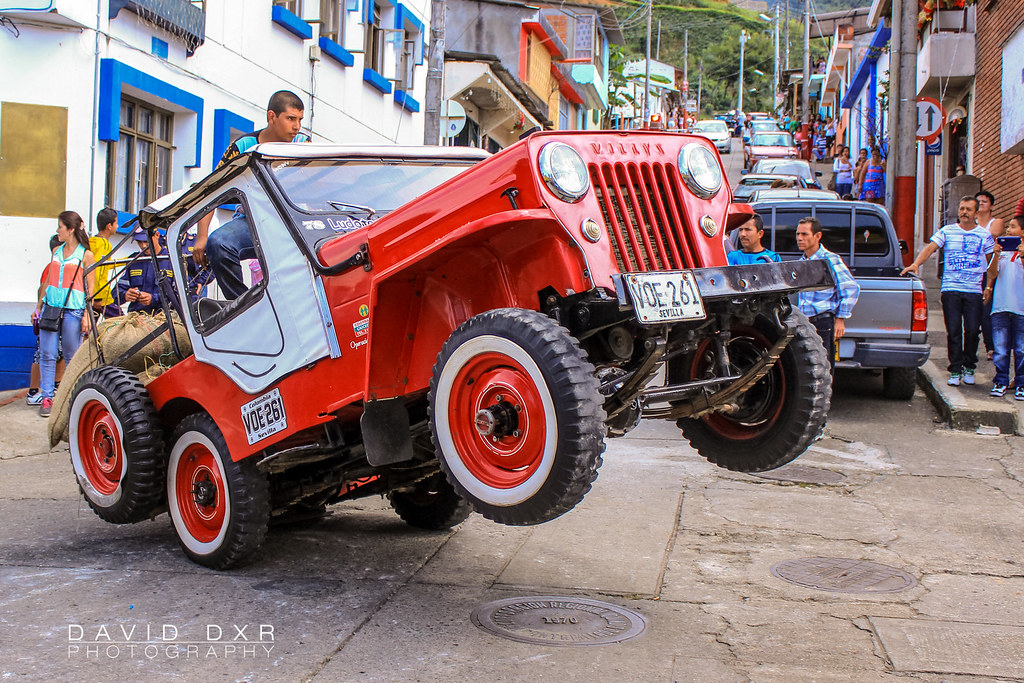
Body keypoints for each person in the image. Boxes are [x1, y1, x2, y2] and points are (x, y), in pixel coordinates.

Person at [192, 90, 309, 299]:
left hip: (294, 220)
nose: (297, 126)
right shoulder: (243, 147)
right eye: (291, 119)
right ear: (271, 117)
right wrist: (202, 237)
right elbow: (212, 190)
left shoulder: (303, 145)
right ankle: (243, 305)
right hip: (252, 220)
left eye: (300, 120)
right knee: (218, 243)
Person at [901, 196, 995, 386]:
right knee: (953, 330)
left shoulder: (984, 235)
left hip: (973, 290)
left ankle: (969, 366)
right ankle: (955, 369)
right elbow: (931, 248)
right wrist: (916, 264)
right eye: (962, 208)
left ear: (976, 213)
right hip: (951, 288)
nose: (964, 212)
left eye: (968, 209)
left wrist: (989, 286)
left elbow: (991, 263)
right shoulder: (947, 231)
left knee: (972, 330)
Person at [35, 211, 95, 417]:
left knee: (71, 356)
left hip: (74, 310)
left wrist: (87, 315)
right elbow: (48, 281)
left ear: (71, 229)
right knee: (47, 354)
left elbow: (90, 289)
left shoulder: (86, 255)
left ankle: (70, 398)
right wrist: (39, 305)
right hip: (51, 308)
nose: (57, 230)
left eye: (60, 226)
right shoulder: (56, 251)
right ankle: (47, 397)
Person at [795, 217, 861, 373]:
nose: (799, 238)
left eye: (804, 234)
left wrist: (840, 318)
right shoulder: (801, 261)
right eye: (798, 234)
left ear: (817, 236)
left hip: (822, 322)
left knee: (823, 367)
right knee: (806, 368)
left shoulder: (830, 259)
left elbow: (850, 288)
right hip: (803, 322)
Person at [983, 215, 1024, 399]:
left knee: (1021, 349)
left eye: (1013, 227)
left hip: (1021, 308)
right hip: (1000, 306)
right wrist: (996, 255)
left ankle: (1021, 384)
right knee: (1000, 349)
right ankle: (1001, 381)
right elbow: (992, 273)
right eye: (1008, 227)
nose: (1008, 230)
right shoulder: (1003, 252)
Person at [26, 235, 65, 405]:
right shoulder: (52, 267)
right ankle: (33, 392)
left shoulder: (60, 266)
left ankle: (56, 386)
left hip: (58, 314)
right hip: (50, 315)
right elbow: (43, 288)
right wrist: (39, 310)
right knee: (42, 354)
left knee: (59, 353)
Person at [975, 190, 1006, 360]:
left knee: (987, 309)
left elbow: (991, 236)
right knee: (974, 311)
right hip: (973, 271)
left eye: (984, 201)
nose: (980, 203)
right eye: (978, 201)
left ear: (992, 205)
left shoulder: (997, 222)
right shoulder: (970, 223)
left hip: (989, 270)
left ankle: (991, 347)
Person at [116, 227, 174, 315]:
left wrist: (153, 299)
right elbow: (115, 292)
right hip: (136, 316)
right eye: (139, 242)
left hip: (165, 316)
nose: (143, 246)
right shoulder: (134, 260)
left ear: (157, 235)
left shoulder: (172, 259)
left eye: (146, 241)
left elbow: (180, 296)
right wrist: (125, 295)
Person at [90, 207, 121, 319]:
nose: (117, 226)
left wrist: (127, 259)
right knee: (122, 321)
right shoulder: (104, 245)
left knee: (90, 326)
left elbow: (106, 265)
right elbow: (97, 269)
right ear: (109, 226)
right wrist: (97, 296)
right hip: (102, 296)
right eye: (116, 223)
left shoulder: (92, 242)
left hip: (92, 293)